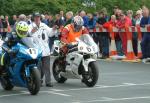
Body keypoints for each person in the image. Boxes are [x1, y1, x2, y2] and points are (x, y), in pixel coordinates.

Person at [28, 12, 57, 87]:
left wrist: (53, 29)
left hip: (45, 49)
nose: (37, 18)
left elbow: (50, 33)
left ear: (40, 18)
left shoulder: (44, 25)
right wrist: (31, 32)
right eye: (36, 17)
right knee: (38, 67)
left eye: (38, 17)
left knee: (46, 67)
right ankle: (38, 81)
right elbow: (27, 36)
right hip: (36, 50)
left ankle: (48, 82)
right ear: (33, 18)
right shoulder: (30, 26)